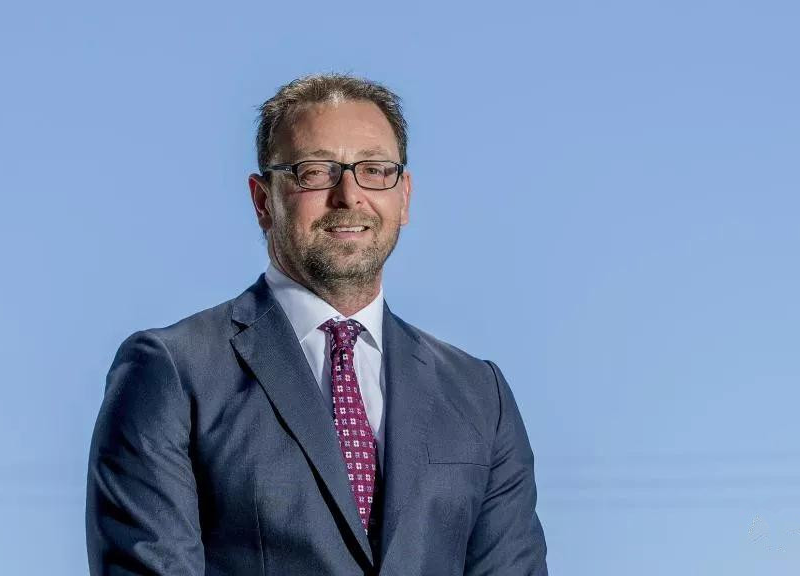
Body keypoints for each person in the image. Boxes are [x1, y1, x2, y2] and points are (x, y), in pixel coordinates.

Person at [86, 73, 548, 575]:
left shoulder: (479, 394)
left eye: (375, 170)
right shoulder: (173, 373)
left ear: (405, 196)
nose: (349, 195)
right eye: (315, 172)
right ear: (263, 200)